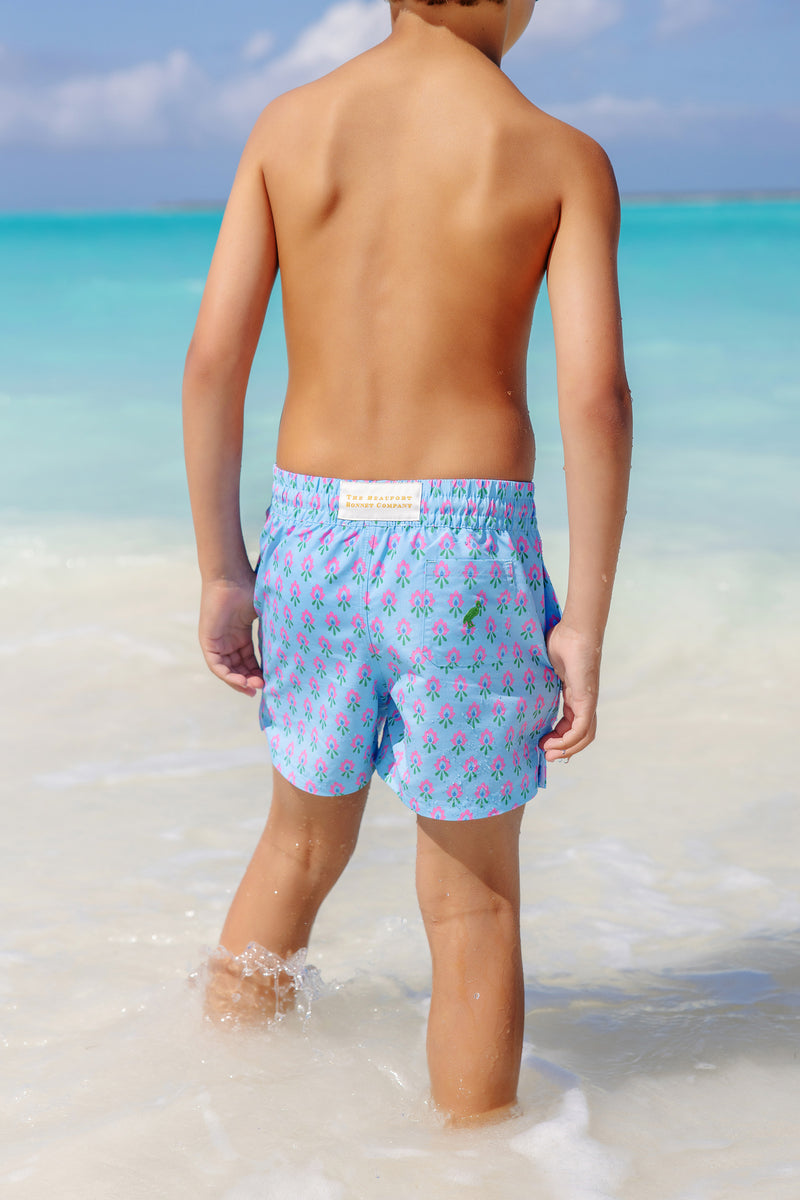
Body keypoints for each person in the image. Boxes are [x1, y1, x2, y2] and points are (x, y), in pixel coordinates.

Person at [182, 0, 632, 1127]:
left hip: (311, 536)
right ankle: (473, 1171)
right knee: (472, 905)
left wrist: (224, 569)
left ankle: (208, 1125)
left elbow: (212, 365)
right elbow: (595, 399)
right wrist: (582, 622)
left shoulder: (291, 126)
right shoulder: (559, 156)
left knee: (295, 847)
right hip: (464, 559)